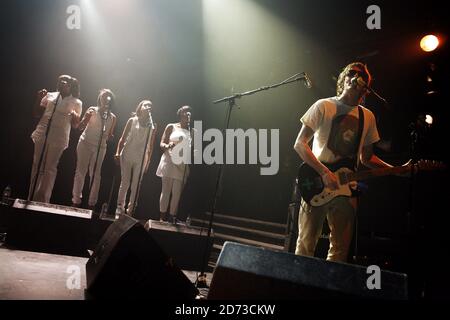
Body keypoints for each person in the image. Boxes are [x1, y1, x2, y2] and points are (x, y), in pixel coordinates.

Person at [293, 62, 407, 262]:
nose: (355, 77)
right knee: (305, 243)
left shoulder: (367, 117)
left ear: (366, 87)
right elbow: (300, 144)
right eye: (350, 73)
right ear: (344, 79)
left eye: (360, 75)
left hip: (347, 187)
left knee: (339, 250)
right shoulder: (323, 105)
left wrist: (396, 170)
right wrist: (323, 172)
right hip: (317, 182)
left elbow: (367, 158)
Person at [29, 75, 82, 203]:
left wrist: (75, 116)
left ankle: (43, 200)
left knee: (50, 167)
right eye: (60, 81)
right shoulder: (50, 95)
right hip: (43, 132)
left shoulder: (76, 102)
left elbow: (75, 125)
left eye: (65, 81)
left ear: (71, 85)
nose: (62, 83)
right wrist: (38, 99)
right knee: (37, 164)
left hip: (59, 136)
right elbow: (37, 113)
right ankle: (31, 197)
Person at [71, 89, 117, 209]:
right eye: (103, 96)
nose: (105, 99)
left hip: (100, 147)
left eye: (108, 97)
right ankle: (76, 201)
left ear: (111, 100)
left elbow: (109, 136)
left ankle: (92, 203)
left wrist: (110, 137)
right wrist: (85, 118)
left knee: (96, 174)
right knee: (80, 172)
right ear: (99, 98)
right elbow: (80, 127)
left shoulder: (112, 117)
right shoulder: (92, 110)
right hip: (85, 143)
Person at [115, 100, 157, 216]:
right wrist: (118, 152)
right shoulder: (132, 121)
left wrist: (148, 161)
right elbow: (122, 138)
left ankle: (130, 210)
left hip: (141, 158)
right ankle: (119, 208)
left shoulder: (152, 126)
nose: (148, 107)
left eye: (150, 106)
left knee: (136, 184)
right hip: (128, 154)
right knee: (125, 182)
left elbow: (151, 145)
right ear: (140, 107)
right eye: (146, 105)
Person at [156, 105, 192, 223]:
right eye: (186, 113)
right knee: (165, 191)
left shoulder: (192, 131)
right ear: (180, 114)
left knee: (177, 193)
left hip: (182, 164)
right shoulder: (171, 126)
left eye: (190, 113)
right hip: (169, 160)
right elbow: (162, 143)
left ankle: (172, 217)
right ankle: (162, 218)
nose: (188, 115)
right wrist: (167, 146)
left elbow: (194, 150)